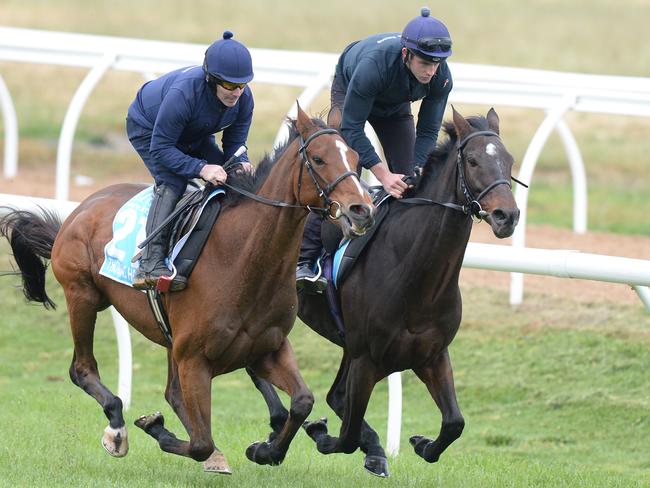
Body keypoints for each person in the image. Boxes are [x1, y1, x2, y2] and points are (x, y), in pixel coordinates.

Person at [296, 7, 454, 292]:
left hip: (393, 107)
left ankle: (395, 252)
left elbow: (429, 131)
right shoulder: (374, 66)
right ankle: (306, 258)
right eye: (425, 62)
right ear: (407, 55)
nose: (431, 70)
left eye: (438, 63)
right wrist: (382, 174)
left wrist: (414, 169)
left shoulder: (441, 78)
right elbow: (353, 128)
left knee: (408, 180)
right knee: (343, 177)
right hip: (352, 90)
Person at [126, 31, 254, 291]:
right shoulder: (184, 94)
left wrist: (241, 162)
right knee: (174, 179)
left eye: (242, 85)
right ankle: (150, 262)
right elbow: (161, 148)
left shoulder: (244, 99)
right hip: (149, 130)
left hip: (193, 133)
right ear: (211, 79)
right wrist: (201, 168)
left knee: (232, 176)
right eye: (229, 86)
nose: (237, 92)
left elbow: (234, 146)